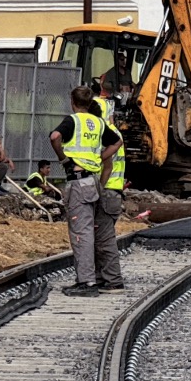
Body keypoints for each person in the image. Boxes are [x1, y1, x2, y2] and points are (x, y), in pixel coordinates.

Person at [50, 85, 124, 296]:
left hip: (78, 180)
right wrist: (97, 159)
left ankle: (87, 283)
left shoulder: (72, 120)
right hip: (94, 181)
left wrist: (64, 158)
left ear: (73, 102)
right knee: (97, 232)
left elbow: (55, 137)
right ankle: (100, 279)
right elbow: (117, 142)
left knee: (81, 232)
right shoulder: (99, 123)